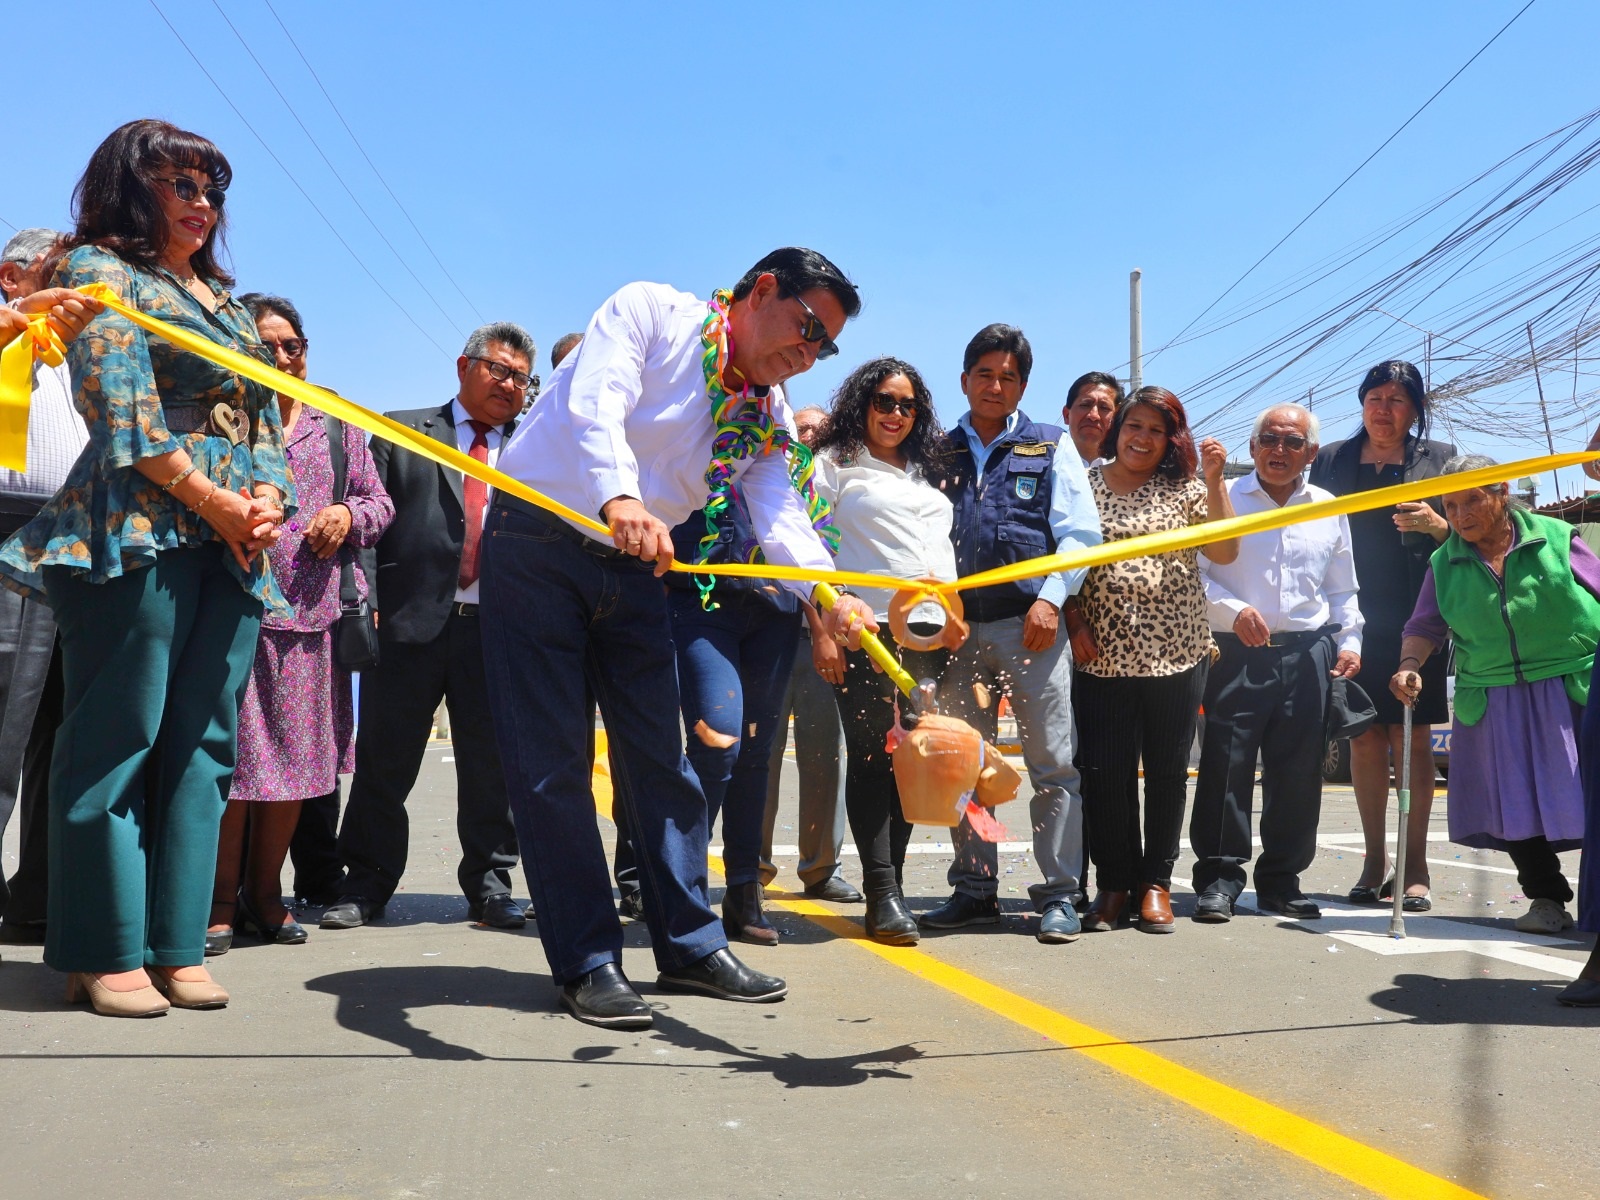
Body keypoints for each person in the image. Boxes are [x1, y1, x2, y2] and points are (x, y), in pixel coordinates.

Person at [480, 246, 875, 1030]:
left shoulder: (764, 412)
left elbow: (781, 514)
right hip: (538, 543)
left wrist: (828, 596)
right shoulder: (652, 313)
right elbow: (596, 401)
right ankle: (587, 960)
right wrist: (620, 497)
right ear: (763, 291)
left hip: (637, 564)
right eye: (807, 329)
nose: (809, 353)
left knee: (663, 759)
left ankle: (690, 945)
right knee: (553, 763)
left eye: (825, 347)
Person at [0, 118, 292, 1015]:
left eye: (213, 190)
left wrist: (267, 500)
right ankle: (99, 949)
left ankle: (175, 944)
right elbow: (121, 412)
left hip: (232, 540)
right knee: (115, 734)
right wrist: (214, 501)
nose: (203, 205)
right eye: (183, 185)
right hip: (133, 527)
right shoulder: (101, 272)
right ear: (132, 187)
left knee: (205, 745)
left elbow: (266, 414)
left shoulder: (228, 304)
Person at [322, 323, 533, 933]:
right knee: (384, 763)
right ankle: (365, 884)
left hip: (498, 630)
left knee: (491, 768)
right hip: (407, 622)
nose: (509, 385)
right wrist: (366, 599)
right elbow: (370, 522)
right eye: (498, 370)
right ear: (465, 367)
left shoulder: (532, 447)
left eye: (521, 378)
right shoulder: (403, 430)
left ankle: (491, 886)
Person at [204, 295, 393, 954]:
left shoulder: (336, 423)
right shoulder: (221, 415)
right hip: (232, 611)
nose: (283, 357)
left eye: (294, 345)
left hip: (311, 621)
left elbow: (378, 503)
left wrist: (347, 514)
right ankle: (218, 900)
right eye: (268, 346)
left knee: (293, 766)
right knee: (231, 765)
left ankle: (267, 895)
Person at [920, 324, 1102, 943]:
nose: (995, 386)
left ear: (1023, 386)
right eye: (984, 374)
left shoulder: (1050, 445)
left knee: (1053, 765)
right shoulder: (936, 451)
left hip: (1031, 628)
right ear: (964, 379)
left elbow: (1080, 535)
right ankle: (974, 890)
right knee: (963, 765)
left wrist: (1051, 601)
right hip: (955, 633)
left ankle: (1061, 894)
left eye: (1008, 377)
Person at [1391, 455, 1597, 938]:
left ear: (1502, 493)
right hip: (1493, 692)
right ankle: (1546, 899)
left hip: (1570, 683)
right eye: (1451, 505)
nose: (1460, 515)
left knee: (1589, 790)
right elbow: (1424, 625)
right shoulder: (1444, 562)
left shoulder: (1555, 537)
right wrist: (1408, 665)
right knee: (1515, 801)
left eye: (1472, 501)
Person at [1070, 387, 1238, 934]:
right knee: (1105, 776)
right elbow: (1059, 560)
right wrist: (1073, 621)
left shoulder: (1187, 490)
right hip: (1102, 654)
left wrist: (1215, 480)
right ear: (1117, 429)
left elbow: (1226, 551)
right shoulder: (1083, 485)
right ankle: (1114, 884)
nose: (1142, 438)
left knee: (1167, 774)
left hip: (1178, 654)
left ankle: (1155, 885)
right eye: (1134, 426)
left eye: (1156, 430)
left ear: (1171, 440)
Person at [1190, 403, 1361, 923]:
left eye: (1292, 442)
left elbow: (1343, 589)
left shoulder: (1328, 507)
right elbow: (1194, 573)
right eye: (1269, 439)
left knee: (1299, 773)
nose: (1279, 450)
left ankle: (1282, 881)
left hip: (1308, 654)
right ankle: (1218, 879)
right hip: (1236, 652)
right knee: (1226, 766)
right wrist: (1233, 611)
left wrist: (1351, 642)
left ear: (1311, 453)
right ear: (1252, 447)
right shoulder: (1222, 497)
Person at [813, 357, 959, 944]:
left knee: (912, 761)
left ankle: (891, 885)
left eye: (907, 405)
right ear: (861, 404)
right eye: (883, 401)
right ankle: (881, 895)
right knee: (873, 757)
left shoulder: (926, 471)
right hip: (866, 629)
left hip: (933, 633)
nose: (895, 414)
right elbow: (807, 552)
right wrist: (823, 628)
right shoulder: (834, 464)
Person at [1310, 360, 1455, 910]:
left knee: (1410, 735)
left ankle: (1415, 865)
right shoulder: (1331, 459)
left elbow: (1470, 530)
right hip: (1350, 614)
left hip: (1419, 615)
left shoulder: (1439, 459)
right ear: (1362, 403)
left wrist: (1439, 527)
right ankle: (1376, 861)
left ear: (1415, 410)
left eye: (1397, 400)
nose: (1384, 409)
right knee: (1364, 736)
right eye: (1375, 398)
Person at [665, 488, 803, 946]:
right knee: (717, 743)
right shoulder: (689, 440)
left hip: (776, 606)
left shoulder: (787, 457)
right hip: (700, 599)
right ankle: (681, 889)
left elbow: (805, 528)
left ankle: (744, 891)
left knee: (756, 754)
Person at [0, 229, 88, 945]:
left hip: (79, 540)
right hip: (10, 530)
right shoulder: (13, 328)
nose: (74, 284)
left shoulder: (72, 344)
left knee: (62, 734)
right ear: (13, 275)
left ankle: (39, 899)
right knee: (5, 720)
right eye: (60, 271)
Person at [759, 403, 858, 904]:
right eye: (802, 428)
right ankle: (752, 869)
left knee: (824, 760)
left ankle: (821, 869)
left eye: (822, 429)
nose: (813, 435)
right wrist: (820, 630)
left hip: (827, 642)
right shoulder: (771, 479)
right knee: (762, 757)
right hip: (776, 635)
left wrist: (828, 634)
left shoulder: (839, 486)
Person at [1062, 371, 1124, 468]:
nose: (1093, 416)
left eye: (1104, 408)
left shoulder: (1129, 471)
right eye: (1085, 405)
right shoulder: (1048, 465)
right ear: (1066, 415)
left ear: (1117, 418)